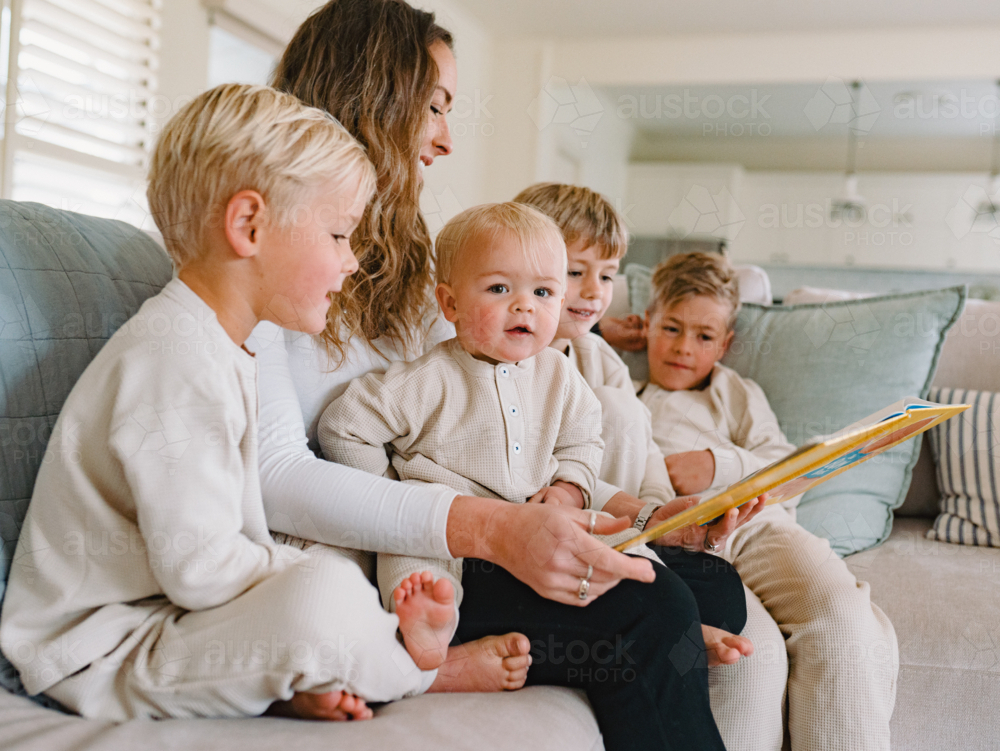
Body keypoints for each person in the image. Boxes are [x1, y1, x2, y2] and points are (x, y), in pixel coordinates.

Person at [256, 0, 762, 745]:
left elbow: (491, 393)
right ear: (375, 98)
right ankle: (424, 655)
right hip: (399, 545)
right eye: (434, 107)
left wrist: (648, 518)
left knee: (709, 581)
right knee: (656, 609)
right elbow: (282, 471)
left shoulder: (399, 257)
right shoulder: (283, 256)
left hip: (469, 516)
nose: (447, 138)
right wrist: (492, 529)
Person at [0, 83, 455, 722]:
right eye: (337, 235)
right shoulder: (173, 360)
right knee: (321, 594)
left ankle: (311, 673)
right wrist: (306, 583)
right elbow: (202, 570)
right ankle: (415, 668)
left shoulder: (216, 344)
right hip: (99, 651)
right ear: (248, 226)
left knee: (317, 580)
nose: (351, 261)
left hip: (171, 619)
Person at [639, 252, 899, 751]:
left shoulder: (734, 392)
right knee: (747, 660)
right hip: (682, 548)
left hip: (755, 526)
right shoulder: (623, 392)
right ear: (646, 323)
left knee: (841, 617)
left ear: (726, 344)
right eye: (670, 328)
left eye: (704, 336)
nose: (682, 348)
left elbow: (783, 462)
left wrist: (715, 464)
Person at [514, 182, 759, 633]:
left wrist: (665, 518)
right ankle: (636, 584)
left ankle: (647, 570)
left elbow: (644, 453)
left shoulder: (597, 355)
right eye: (575, 272)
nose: (593, 291)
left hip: (623, 523)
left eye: (607, 276)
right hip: (556, 531)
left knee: (723, 595)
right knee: (616, 408)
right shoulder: (512, 357)